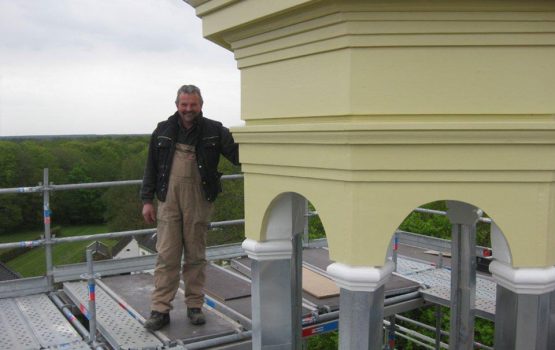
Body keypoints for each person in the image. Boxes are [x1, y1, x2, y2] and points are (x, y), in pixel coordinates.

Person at [140, 84, 239, 330]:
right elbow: (151, 167)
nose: (188, 109)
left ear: (200, 105)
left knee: (196, 255)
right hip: (167, 200)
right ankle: (160, 309)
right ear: (177, 105)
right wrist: (146, 201)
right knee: (166, 255)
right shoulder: (162, 130)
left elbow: (239, 155)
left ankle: (195, 306)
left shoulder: (215, 131)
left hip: (199, 198)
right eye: (184, 104)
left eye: (193, 105)